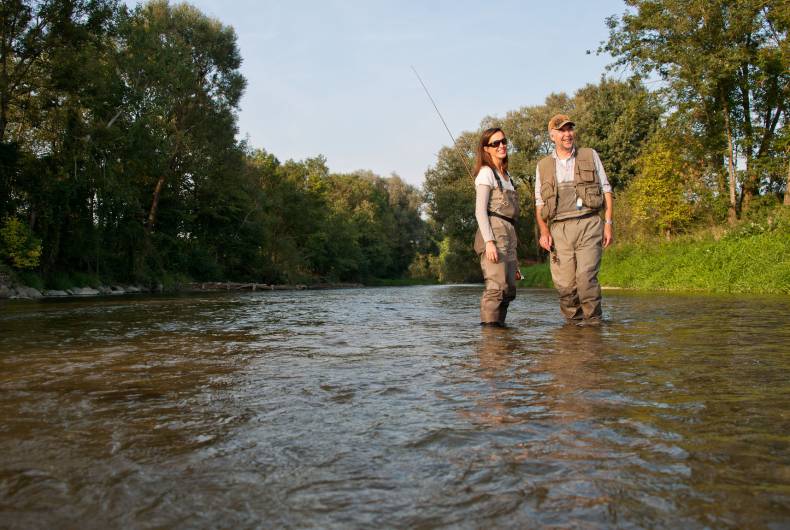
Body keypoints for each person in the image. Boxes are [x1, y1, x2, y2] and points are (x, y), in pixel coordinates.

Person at [535, 114, 613, 324]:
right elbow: (539, 203)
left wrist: (608, 224)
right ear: (552, 136)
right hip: (559, 229)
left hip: (589, 224)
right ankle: (573, 332)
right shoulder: (543, 166)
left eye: (570, 129)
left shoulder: (590, 154)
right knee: (566, 287)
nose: (567, 134)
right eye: (562, 130)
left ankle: (594, 327)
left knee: (586, 280)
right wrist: (544, 232)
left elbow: (606, 189)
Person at [473, 127, 521, 327]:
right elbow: (480, 211)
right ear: (486, 149)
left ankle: (500, 332)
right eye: (495, 143)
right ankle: (490, 334)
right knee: (496, 287)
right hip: (493, 232)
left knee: (509, 288)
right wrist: (490, 242)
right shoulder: (486, 173)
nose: (501, 146)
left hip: (509, 233)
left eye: (503, 141)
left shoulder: (507, 176)